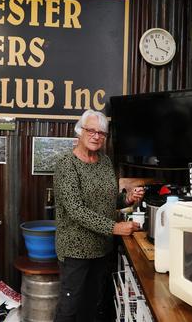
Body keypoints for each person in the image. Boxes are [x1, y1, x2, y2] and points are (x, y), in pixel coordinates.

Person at [53, 109, 144, 322]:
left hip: (101, 249)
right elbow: (75, 209)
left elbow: (110, 200)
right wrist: (114, 228)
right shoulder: (67, 164)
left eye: (101, 133)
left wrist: (127, 199)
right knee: (69, 309)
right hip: (75, 250)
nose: (96, 136)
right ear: (79, 131)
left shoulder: (104, 162)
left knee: (93, 307)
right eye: (91, 130)